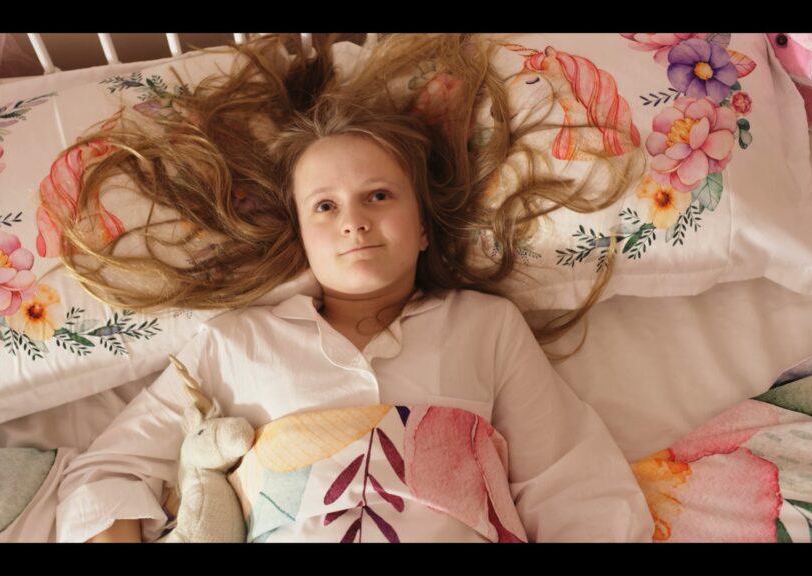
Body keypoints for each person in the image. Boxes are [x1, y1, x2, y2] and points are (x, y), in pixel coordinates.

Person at [53, 33, 652, 542]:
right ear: (302, 240)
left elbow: (571, 481)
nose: (354, 221)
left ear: (423, 228)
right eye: (325, 206)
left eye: (379, 196)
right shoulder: (233, 343)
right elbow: (106, 473)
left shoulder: (484, 327)